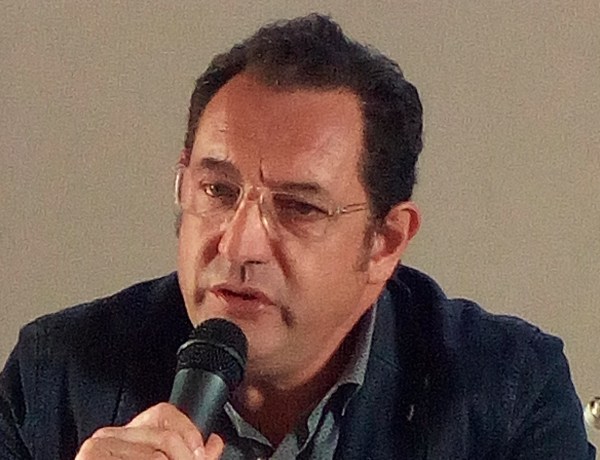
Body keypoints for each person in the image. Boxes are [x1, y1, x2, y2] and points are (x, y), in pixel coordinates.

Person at [0, 13, 595, 460]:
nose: (239, 245)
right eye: (217, 191)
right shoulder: (55, 375)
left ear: (385, 242)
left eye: (298, 208)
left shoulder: (506, 392)